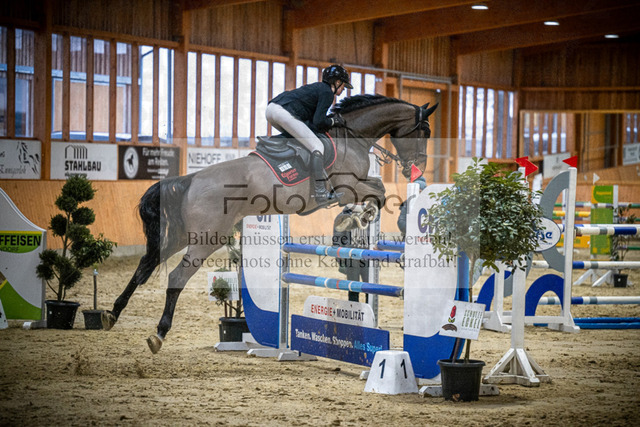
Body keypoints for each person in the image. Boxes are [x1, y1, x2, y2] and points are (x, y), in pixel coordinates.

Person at [266, 64, 353, 205]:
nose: (344, 89)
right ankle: (320, 192)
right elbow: (319, 122)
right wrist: (333, 121)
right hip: (283, 112)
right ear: (337, 82)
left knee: (301, 138)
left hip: (272, 109)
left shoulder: (318, 88)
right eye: (343, 85)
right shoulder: (327, 93)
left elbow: (312, 123)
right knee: (317, 146)